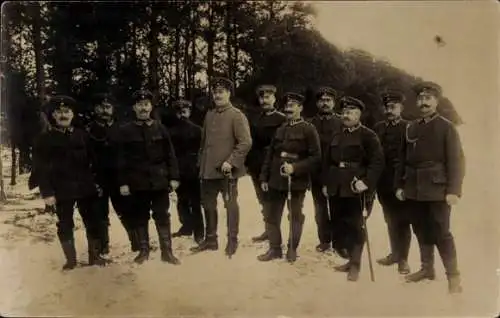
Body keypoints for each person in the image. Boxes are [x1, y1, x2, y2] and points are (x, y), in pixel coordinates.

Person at [395, 81, 465, 294]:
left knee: (441, 232)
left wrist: (454, 190)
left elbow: (456, 161)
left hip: (437, 189)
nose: (423, 102)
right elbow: (402, 158)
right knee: (420, 229)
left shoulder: (447, 127)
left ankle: (454, 278)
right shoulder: (411, 127)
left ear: (436, 101)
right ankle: (427, 269)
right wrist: (399, 185)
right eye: (421, 99)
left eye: (428, 99)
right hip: (414, 188)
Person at [33, 95, 109, 270]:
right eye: (58, 112)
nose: (63, 115)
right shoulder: (44, 140)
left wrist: (97, 182)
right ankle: (71, 260)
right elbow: (41, 169)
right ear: (52, 115)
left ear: (73, 114)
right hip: (61, 189)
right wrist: (48, 193)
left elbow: (95, 161)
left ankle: (95, 256)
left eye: (67, 111)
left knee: (93, 221)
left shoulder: (83, 136)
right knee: (65, 223)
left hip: (85, 187)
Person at [322, 96, 384, 281]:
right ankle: (349, 260)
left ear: (359, 114)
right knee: (341, 225)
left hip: (356, 189)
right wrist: (326, 183)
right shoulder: (336, 135)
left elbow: (377, 162)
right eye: (344, 112)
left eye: (350, 112)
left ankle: (355, 265)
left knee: (356, 226)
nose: (346, 115)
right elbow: (327, 162)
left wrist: (366, 182)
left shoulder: (368, 136)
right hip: (337, 188)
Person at [115, 89, 181, 265]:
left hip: (159, 181)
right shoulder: (125, 131)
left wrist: (174, 177)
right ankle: (144, 251)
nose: (143, 108)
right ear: (134, 108)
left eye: (146, 104)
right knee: (140, 215)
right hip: (137, 182)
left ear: (151, 107)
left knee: (162, 215)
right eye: (139, 105)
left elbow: (170, 155)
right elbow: (121, 159)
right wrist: (123, 183)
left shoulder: (160, 128)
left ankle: (167, 252)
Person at [191, 77, 252, 257]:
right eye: (215, 92)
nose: (217, 95)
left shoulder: (237, 115)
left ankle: (232, 242)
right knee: (208, 205)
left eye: (221, 92)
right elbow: (204, 143)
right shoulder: (209, 115)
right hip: (208, 171)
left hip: (227, 172)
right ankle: (211, 240)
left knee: (230, 206)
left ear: (229, 94)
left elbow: (245, 142)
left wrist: (231, 162)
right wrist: (201, 165)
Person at [258, 92, 321, 263]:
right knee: (271, 214)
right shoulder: (280, 129)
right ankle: (275, 248)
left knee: (294, 215)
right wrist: (264, 177)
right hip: (276, 179)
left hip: (296, 181)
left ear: (300, 108)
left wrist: (295, 167)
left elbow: (316, 157)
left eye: (292, 106)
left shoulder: (309, 129)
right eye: (286, 106)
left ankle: (292, 248)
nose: (288, 109)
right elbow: (270, 155)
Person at [87, 93, 138, 255]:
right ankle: (102, 247)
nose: (104, 110)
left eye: (108, 107)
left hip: (120, 178)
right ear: (95, 109)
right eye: (100, 107)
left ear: (113, 109)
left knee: (128, 210)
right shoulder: (88, 130)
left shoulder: (123, 129)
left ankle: (137, 244)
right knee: (98, 214)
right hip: (98, 178)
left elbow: (130, 155)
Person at [373, 90, 412, 275]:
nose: (389, 110)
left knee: (402, 220)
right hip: (382, 182)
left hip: (400, 182)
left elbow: (411, 157)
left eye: (393, 107)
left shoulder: (408, 128)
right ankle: (395, 254)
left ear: (401, 108)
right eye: (387, 107)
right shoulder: (378, 128)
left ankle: (403, 259)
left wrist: (404, 183)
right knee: (390, 219)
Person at [245, 84, 286, 243]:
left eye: (268, 97)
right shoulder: (254, 118)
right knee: (262, 199)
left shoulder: (281, 119)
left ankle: (274, 231)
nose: (264, 100)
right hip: (256, 165)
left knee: (273, 200)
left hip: (273, 165)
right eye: (262, 97)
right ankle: (268, 230)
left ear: (274, 99)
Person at [307, 86, 342, 253]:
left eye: (328, 100)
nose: (325, 103)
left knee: (337, 207)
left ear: (334, 103)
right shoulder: (309, 123)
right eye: (322, 100)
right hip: (316, 172)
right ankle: (324, 239)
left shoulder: (342, 122)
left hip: (336, 172)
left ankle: (339, 241)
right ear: (317, 103)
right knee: (320, 209)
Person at [168, 99, 204, 244]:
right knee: (181, 200)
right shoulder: (170, 132)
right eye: (179, 112)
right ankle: (187, 226)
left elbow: (202, 151)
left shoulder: (198, 130)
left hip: (194, 170)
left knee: (195, 201)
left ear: (189, 112)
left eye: (184, 111)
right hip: (179, 170)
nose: (182, 115)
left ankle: (199, 232)